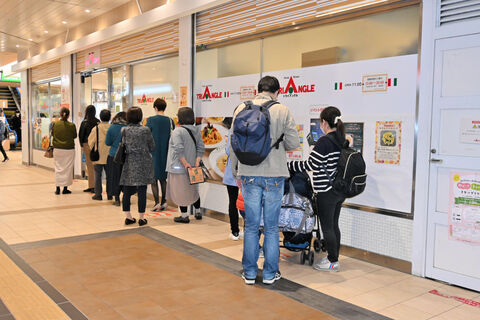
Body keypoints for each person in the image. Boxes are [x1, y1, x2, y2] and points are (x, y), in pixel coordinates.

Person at [230, 76, 300, 285]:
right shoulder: (282, 110)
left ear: (258, 90)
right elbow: (293, 143)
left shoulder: (241, 107)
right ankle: (270, 274)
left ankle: (250, 273)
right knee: (271, 227)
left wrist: (237, 173)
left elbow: (233, 143)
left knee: (251, 226)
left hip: (249, 173)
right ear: (277, 91)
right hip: (275, 175)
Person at [288, 106, 346, 272]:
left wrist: (290, 165)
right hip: (338, 190)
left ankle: (332, 261)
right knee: (334, 225)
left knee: (327, 226)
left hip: (326, 191)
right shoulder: (341, 139)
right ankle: (334, 258)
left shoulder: (324, 141)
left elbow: (310, 165)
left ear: (324, 123)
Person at [166, 107, 205, 223]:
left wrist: (185, 163)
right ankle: (198, 212)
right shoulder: (196, 130)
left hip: (180, 167)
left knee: (181, 191)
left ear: (180, 118)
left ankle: (184, 216)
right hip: (193, 167)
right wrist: (197, 161)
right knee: (193, 190)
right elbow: (201, 147)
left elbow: (179, 149)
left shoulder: (177, 131)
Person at [120, 107, 155, 226]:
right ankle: (141, 218)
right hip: (143, 162)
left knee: (126, 190)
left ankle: (128, 217)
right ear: (140, 117)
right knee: (142, 190)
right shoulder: (145, 130)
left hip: (129, 162)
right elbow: (152, 146)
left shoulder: (124, 130)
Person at [146, 98, 175, 212]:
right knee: (163, 179)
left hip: (154, 153)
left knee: (153, 179)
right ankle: (164, 202)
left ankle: (156, 203)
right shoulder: (170, 120)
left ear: (156, 108)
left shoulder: (151, 120)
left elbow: (147, 135)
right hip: (166, 153)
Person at [222, 118, 241, 240]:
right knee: (247, 203)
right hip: (247, 172)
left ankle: (235, 232)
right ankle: (248, 230)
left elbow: (229, 151)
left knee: (233, 202)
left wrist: (227, 142)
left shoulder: (232, 132)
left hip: (233, 173)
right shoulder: (250, 130)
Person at [51, 107, 77, 194]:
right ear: (68, 115)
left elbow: (52, 134)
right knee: (68, 169)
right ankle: (65, 189)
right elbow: (74, 136)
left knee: (58, 168)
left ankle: (57, 188)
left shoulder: (55, 124)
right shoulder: (72, 125)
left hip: (57, 149)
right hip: (69, 149)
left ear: (60, 114)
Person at [88, 109, 111, 201]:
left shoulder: (96, 128)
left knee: (97, 175)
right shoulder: (112, 128)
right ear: (109, 117)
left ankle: (98, 194)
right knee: (110, 176)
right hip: (110, 155)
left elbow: (90, 142)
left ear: (100, 117)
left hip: (98, 155)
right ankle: (110, 194)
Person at [105, 112, 127, 206]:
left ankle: (117, 198)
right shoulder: (129, 128)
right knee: (125, 178)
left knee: (115, 177)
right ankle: (126, 198)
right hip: (126, 156)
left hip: (114, 156)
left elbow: (107, 142)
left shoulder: (112, 127)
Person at [78, 105, 99, 193]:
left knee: (89, 166)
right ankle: (95, 186)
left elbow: (81, 135)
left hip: (87, 145)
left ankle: (91, 186)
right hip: (96, 145)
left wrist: (82, 145)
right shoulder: (98, 122)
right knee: (97, 166)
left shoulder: (85, 122)